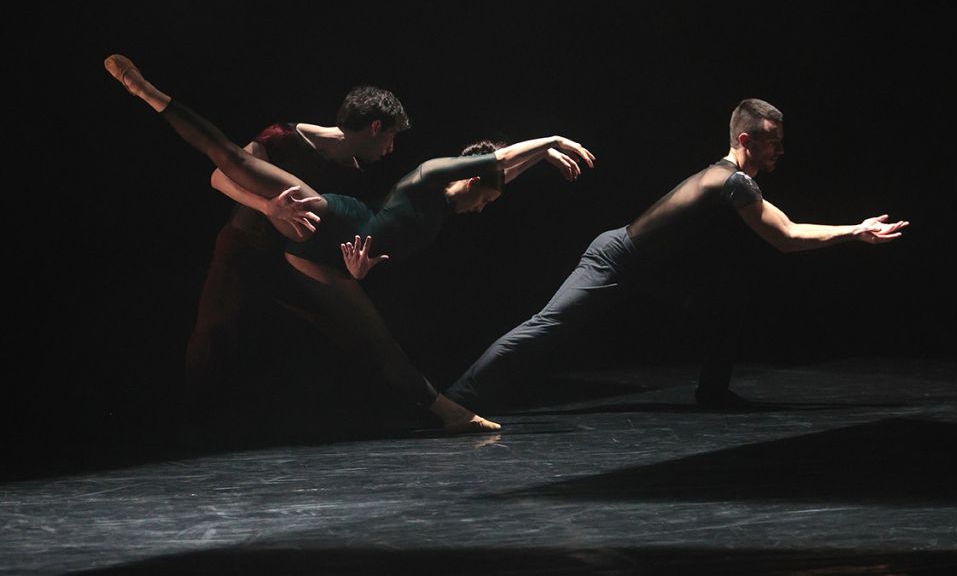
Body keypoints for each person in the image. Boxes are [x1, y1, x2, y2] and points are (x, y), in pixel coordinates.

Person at [105, 54, 594, 432]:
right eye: (484, 200)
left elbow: (499, 172)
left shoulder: (444, 203)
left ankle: (442, 412)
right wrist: (552, 141)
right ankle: (148, 92)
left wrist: (541, 158)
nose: (482, 209)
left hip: (324, 257)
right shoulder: (429, 176)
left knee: (375, 340)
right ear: (469, 182)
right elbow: (497, 163)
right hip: (328, 222)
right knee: (232, 161)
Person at [445, 98, 909, 411]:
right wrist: (856, 231)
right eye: (773, 141)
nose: (780, 150)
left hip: (651, 272)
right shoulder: (731, 181)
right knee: (546, 326)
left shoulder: (729, 179)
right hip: (615, 260)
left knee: (728, 299)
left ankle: (713, 391)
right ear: (746, 141)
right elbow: (786, 236)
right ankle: (457, 398)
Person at [185, 83, 406, 418]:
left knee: (348, 333)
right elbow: (220, 176)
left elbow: (334, 231)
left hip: (295, 262)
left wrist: (352, 267)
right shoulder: (284, 137)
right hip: (245, 246)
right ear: (375, 127)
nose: (391, 149)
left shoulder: (355, 174)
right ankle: (194, 419)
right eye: (391, 137)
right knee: (214, 332)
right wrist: (266, 206)